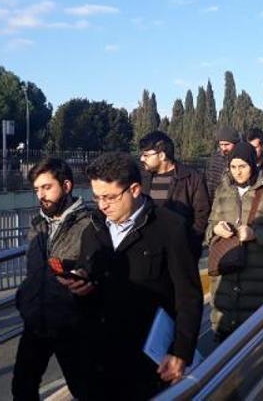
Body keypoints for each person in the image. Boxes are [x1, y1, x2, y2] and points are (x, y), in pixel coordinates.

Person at [60, 152, 203, 400]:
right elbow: (89, 279)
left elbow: (188, 295)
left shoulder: (170, 228)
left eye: (110, 197)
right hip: (100, 357)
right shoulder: (93, 231)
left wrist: (181, 351)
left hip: (146, 362)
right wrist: (80, 282)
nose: (102, 205)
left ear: (134, 189)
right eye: (97, 197)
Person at [12, 158, 91, 400]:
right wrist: (24, 299)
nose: (41, 195)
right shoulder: (38, 224)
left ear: (66, 186)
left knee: (85, 388)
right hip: (37, 318)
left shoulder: (89, 224)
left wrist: (87, 276)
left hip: (72, 322)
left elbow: (99, 267)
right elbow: (33, 270)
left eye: (47, 187)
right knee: (22, 387)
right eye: (37, 189)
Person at [206, 142, 263, 340]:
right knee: (225, 350)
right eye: (233, 167)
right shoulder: (223, 191)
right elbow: (210, 226)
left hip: (259, 278)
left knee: (262, 339)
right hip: (226, 281)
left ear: (252, 165)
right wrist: (215, 230)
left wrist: (256, 234)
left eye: (242, 166)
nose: (238, 172)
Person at [139, 131, 210, 262]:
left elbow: (202, 215)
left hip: (180, 256)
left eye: (146, 155)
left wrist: (189, 244)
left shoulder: (192, 178)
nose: (142, 159)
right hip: (147, 255)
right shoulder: (141, 178)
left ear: (161, 155)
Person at [206, 125, 240, 205]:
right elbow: (210, 184)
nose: (224, 148)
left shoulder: (242, 159)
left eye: (227, 144)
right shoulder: (215, 159)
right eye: (221, 144)